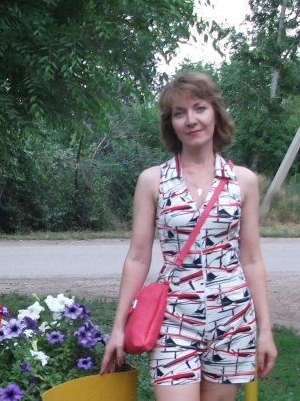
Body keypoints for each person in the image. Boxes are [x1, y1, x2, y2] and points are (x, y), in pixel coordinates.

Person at [100, 72, 277, 401]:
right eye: (179, 113)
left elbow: (252, 259)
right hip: (174, 319)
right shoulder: (153, 181)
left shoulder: (243, 181)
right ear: (171, 124)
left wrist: (264, 330)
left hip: (233, 321)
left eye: (199, 108)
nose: (191, 120)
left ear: (215, 113)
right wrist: (118, 328)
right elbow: (138, 257)